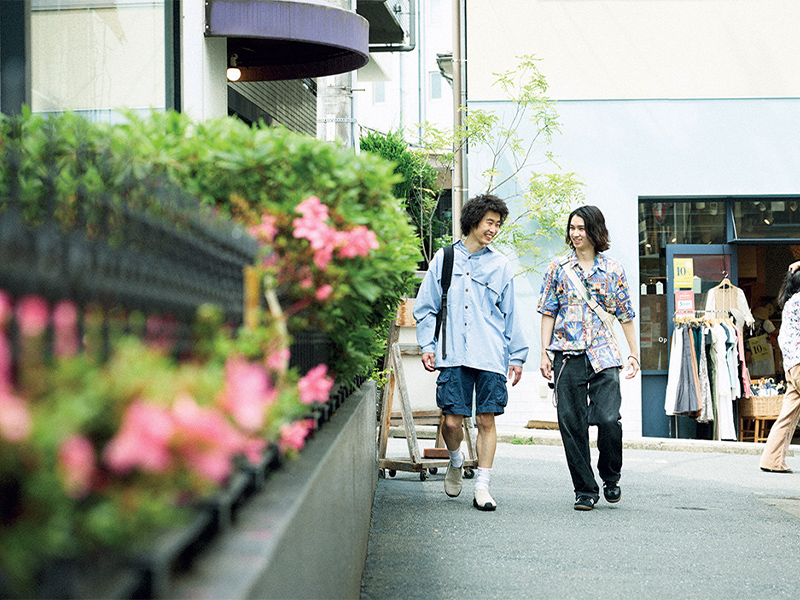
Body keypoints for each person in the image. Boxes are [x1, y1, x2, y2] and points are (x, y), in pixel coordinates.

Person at [413, 193, 528, 511]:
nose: (494, 228)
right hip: (454, 354)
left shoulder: (501, 264)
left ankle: (482, 487)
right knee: (451, 422)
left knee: (487, 420)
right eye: (490, 222)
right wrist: (428, 345)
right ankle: (455, 459)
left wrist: (517, 356)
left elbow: (510, 313)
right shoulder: (444, 259)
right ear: (474, 221)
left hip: (491, 353)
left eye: (498, 224)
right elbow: (426, 308)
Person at [538, 205, 639, 511]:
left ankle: (610, 476)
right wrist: (545, 352)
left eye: (581, 228)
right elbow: (548, 311)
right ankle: (585, 488)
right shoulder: (558, 268)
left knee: (609, 419)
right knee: (572, 424)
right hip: (567, 355)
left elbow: (625, 315)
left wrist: (633, 353)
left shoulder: (613, 270)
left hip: (605, 354)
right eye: (572, 228)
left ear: (595, 230)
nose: (575, 234)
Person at [759, 267, 800, 473]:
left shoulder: (790, 304)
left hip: (793, 367)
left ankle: (772, 460)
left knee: (787, 415)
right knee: (787, 415)